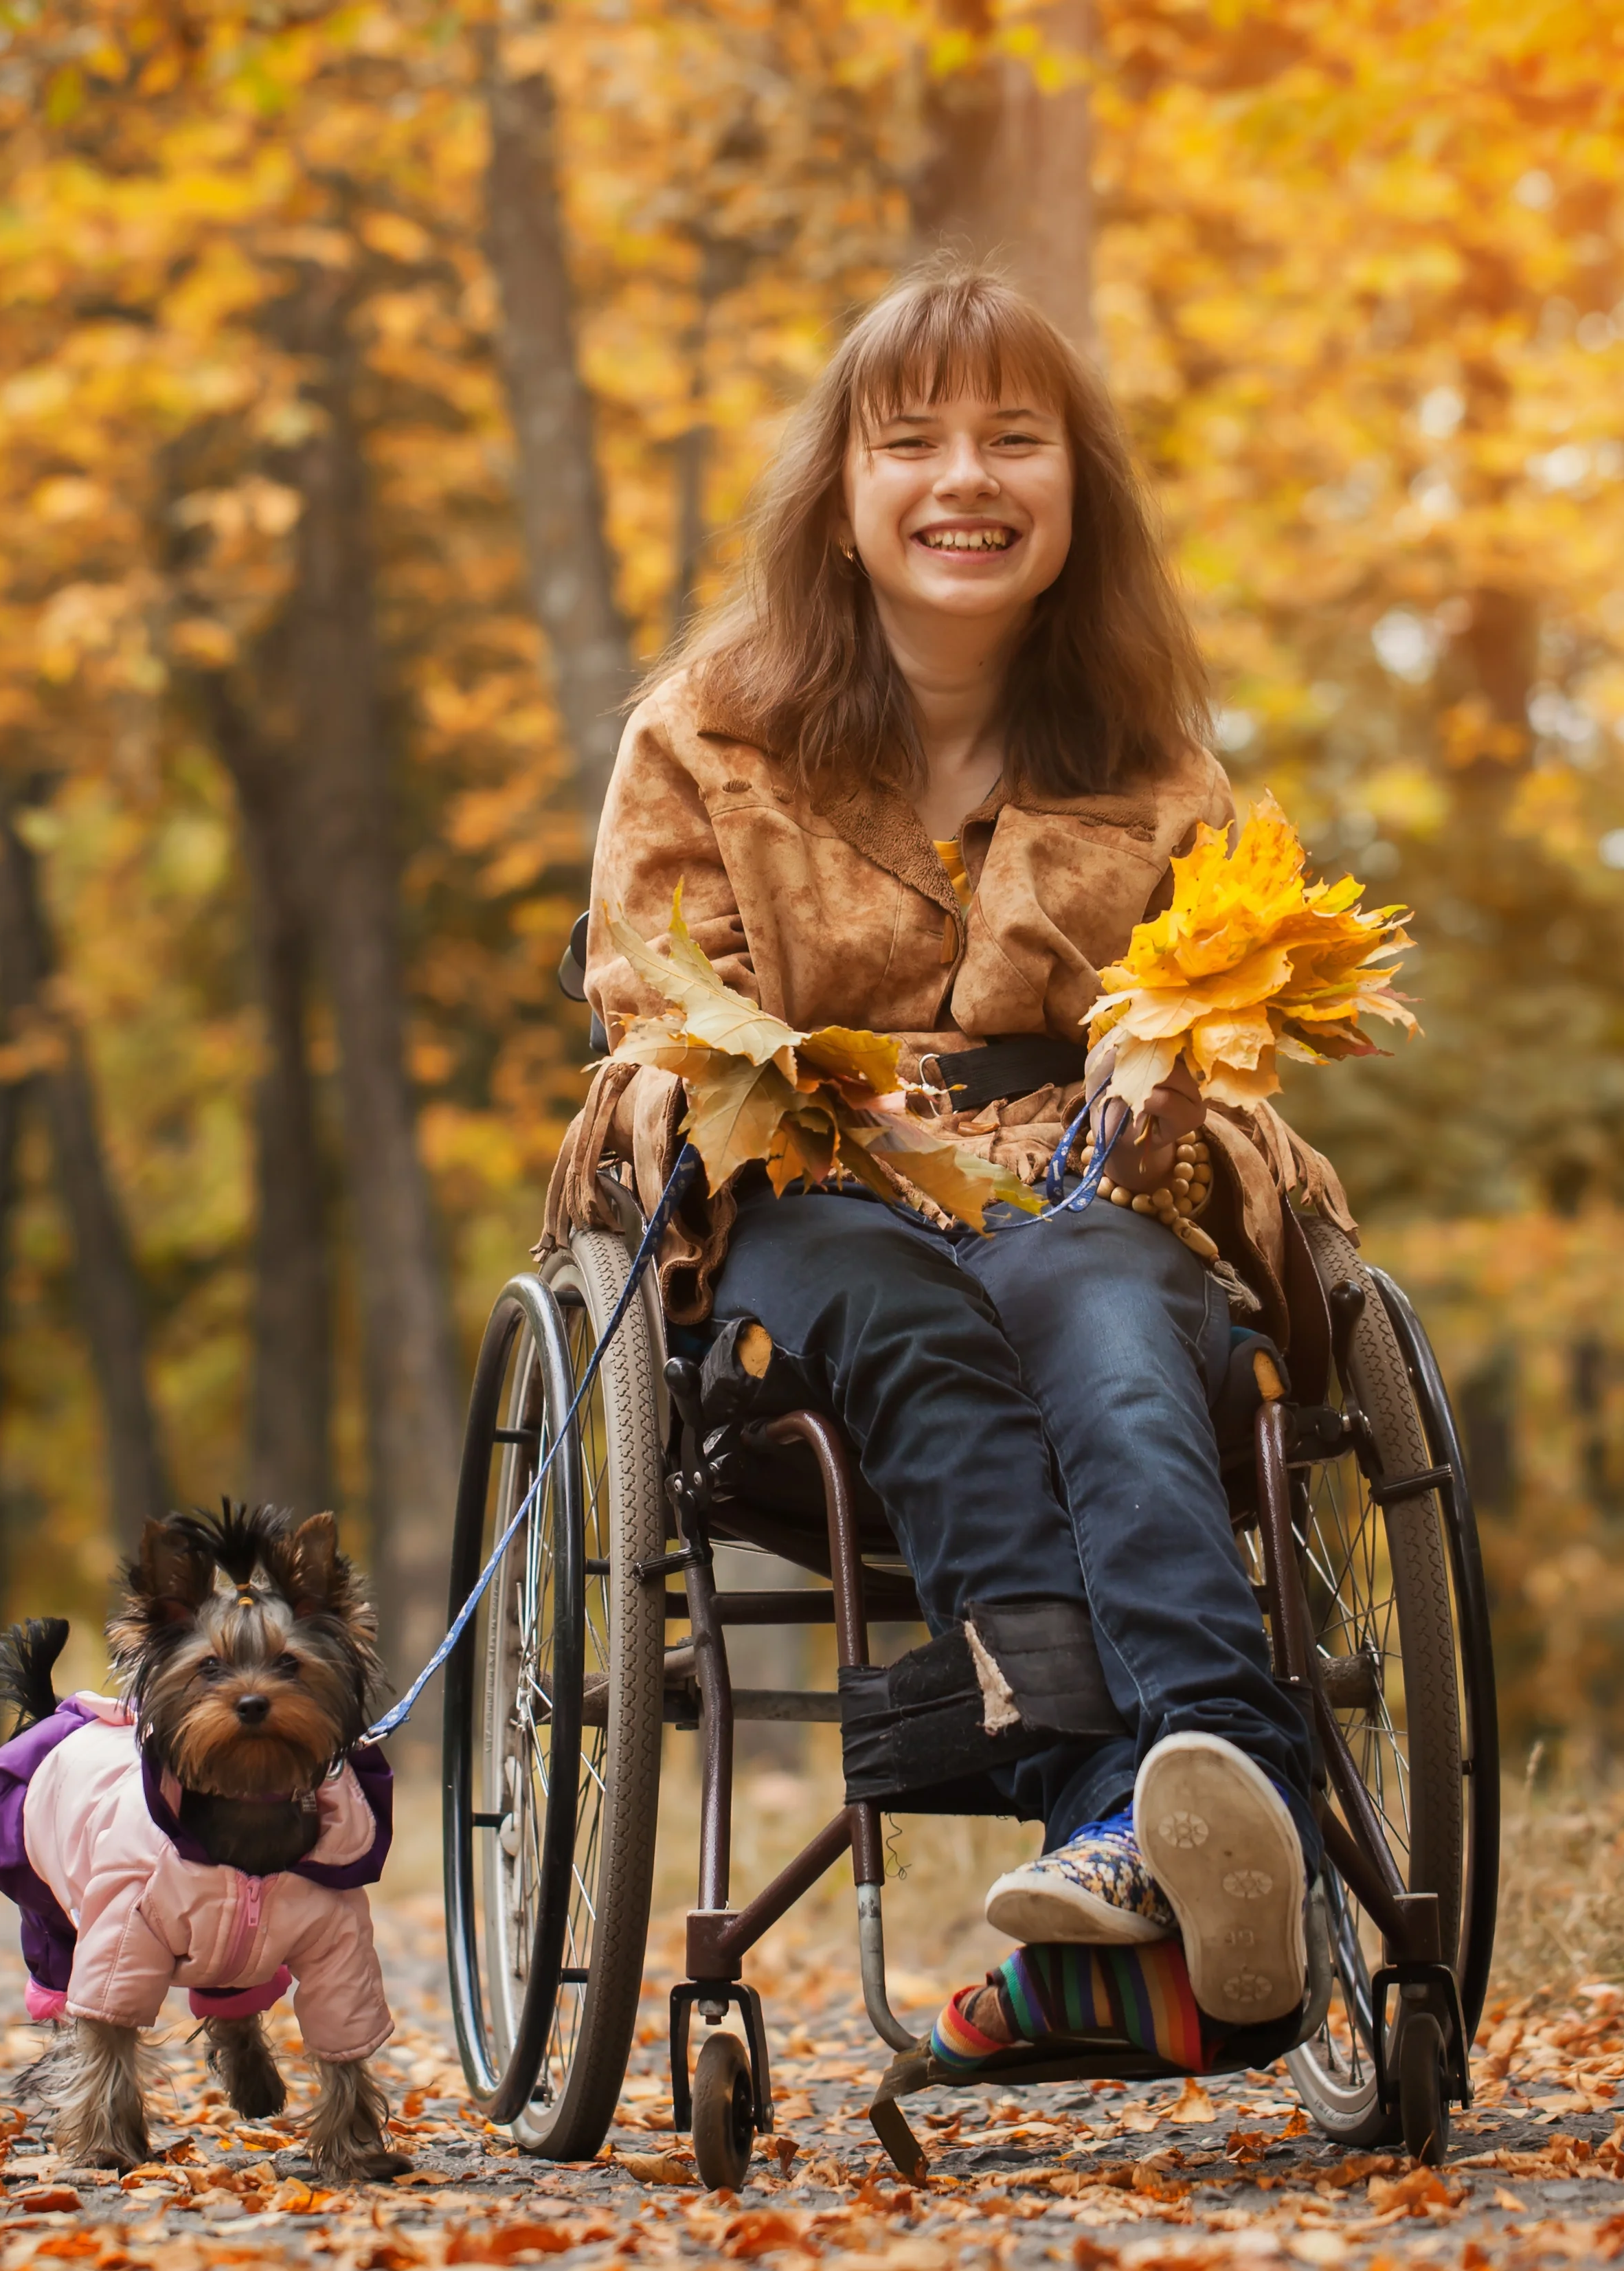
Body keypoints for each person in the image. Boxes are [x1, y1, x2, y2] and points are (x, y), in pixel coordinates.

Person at [560, 263, 1355, 2030]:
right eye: (907, 441)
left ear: (1079, 492)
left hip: (1084, 1195)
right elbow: (656, 1020)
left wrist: (1156, 1105)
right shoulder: (704, 736)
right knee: (914, 1309)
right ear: (840, 501)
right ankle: (1118, 1806)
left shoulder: (1156, 771)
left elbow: (1224, 1037)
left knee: (1097, 1298)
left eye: (1015, 439)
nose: (963, 481)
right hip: (810, 1217)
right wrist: (831, 1106)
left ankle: (1215, 1774)